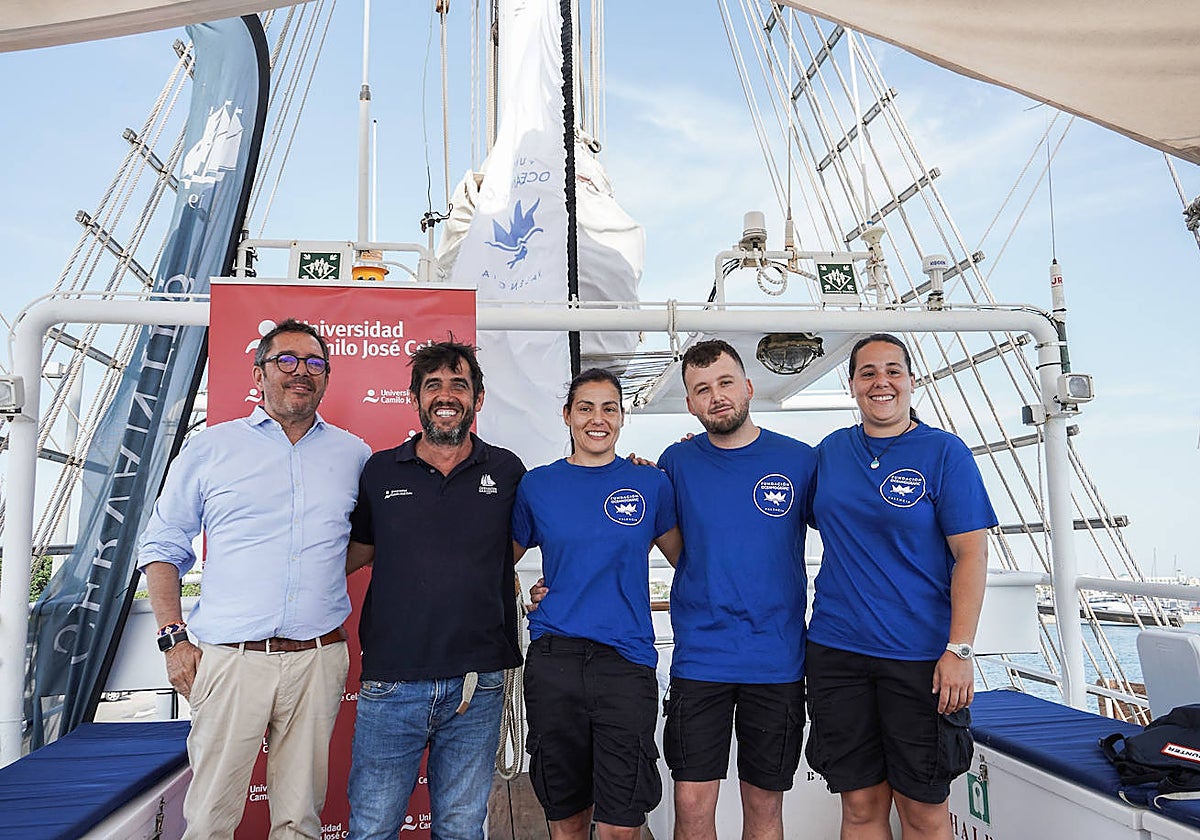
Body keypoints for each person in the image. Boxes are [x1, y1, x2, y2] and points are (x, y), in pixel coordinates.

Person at [138, 318, 370, 839]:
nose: (301, 371)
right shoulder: (210, 448)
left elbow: (368, 540)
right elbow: (162, 546)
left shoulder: (353, 455)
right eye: (286, 360)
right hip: (230, 661)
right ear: (259, 373)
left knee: (300, 819)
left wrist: (315, 567)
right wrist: (173, 639)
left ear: (326, 378)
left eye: (314, 363)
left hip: (317, 659)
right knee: (211, 818)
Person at [805, 333, 997, 840]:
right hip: (837, 654)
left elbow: (972, 556)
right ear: (852, 385)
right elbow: (765, 489)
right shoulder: (831, 452)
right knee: (860, 808)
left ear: (912, 381)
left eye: (893, 370)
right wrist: (698, 450)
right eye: (867, 372)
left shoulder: (944, 453)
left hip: (920, 660)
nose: (881, 382)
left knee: (923, 811)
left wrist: (960, 649)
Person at [345, 339, 525, 840]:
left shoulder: (507, 470)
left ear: (478, 398)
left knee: (461, 828)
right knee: (372, 828)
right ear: (415, 398)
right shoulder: (380, 470)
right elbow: (355, 551)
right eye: (433, 386)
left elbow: (537, 535)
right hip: (391, 682)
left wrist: (632, 472)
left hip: (477, 683)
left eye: (459, 385)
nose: (446, 396)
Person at [659, 339, 817, 840]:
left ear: (748, 387)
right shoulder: (675, 462)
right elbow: (644, 530)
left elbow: (858, 528)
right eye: (702, 389)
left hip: (776, 660)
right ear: (690, 403)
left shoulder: (800, 460)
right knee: (690, 804)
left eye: (725, 383)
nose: (717, 396)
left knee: (764, 806)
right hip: (701, 659)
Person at [515, 368, 682, 840]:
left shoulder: (651, 483)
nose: (598, 419)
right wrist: (526, 595)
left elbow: (688, 561)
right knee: (566, 817)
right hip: (556, 658)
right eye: (586, 408)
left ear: (622, 417)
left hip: (625, 662)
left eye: (609, 408)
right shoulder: (537, 485)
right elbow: (493, 563)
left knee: (621, 823)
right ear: (567, 415)